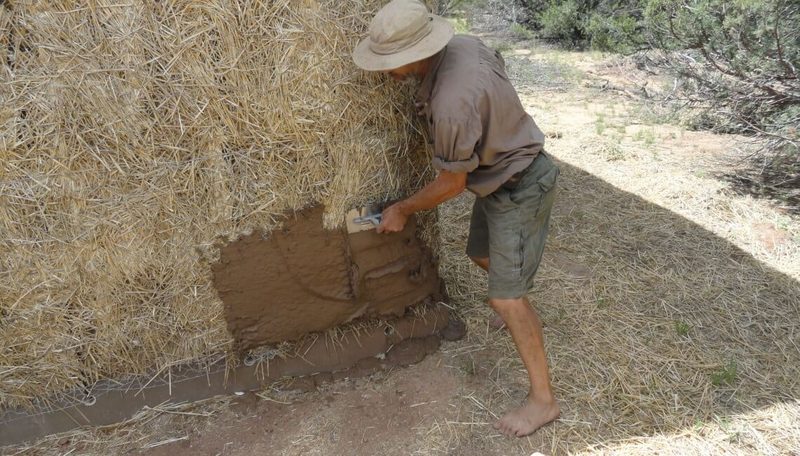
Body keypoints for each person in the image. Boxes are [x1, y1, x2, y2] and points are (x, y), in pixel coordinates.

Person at [352, 0, 561, 437]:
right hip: (500, 176)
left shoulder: (450, 101)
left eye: (389, 64)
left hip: (520, 183)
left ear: (416, 55)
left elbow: (452, 184)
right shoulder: (464, 45)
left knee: (505, 297)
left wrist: (402, 209)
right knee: (480, 254)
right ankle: (513, 299)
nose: (385, 72)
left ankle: (543, 401)